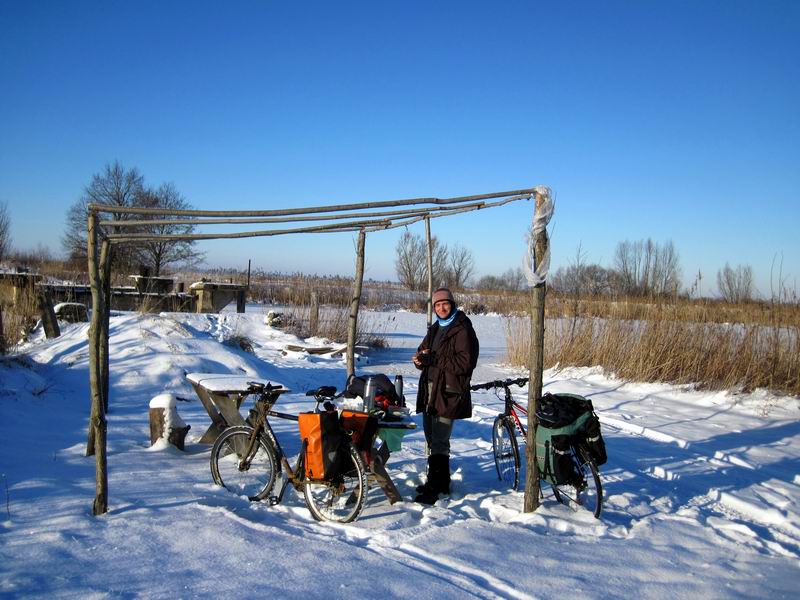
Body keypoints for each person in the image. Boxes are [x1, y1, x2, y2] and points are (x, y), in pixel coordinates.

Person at [412, 287, 479, 504]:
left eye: (445, 304)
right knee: (431, 436)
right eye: (437, 305)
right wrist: (419, 359)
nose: (441, 308)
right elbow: (424, 350)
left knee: (440, 439)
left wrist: (434, 360)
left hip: (448, 391)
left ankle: (437, 487)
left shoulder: (462, 328)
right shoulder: (435, 328)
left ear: (452, 304)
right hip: (429, 387)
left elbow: (465, 363)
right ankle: (439, 482)